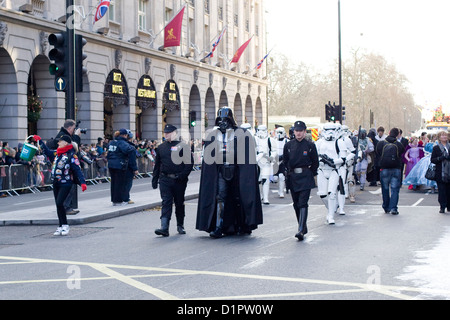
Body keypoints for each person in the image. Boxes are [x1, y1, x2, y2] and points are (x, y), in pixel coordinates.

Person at [196, 107, 263, 238]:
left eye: (225, 120)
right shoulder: (213, 136)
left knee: (239, 197)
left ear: (231, 120)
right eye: (220, 120)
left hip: (237, 170)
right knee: (220, 197)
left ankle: (243, 224)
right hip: (221, 170)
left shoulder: (242, 134)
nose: (223, 122)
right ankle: (218, 226)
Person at [38, 135, 87, 236]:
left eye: (60, 141)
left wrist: (82, 182)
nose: (58, 143)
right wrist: (40, 141)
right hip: (56, 182)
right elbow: (47, 151)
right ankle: (60, 225)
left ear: (66, 143)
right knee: (58, 204)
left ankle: (65, 225)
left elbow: (77, 169)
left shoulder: (71, 155)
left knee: (60, 203)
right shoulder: (57, 154)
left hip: (66, 182)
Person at [152, 124, 193, 236]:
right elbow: (157, 165)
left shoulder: (183, 146)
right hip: (165, 179)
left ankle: (180, 225)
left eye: (168, 133)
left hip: (179, 180)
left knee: (179, 203)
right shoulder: (161, 147)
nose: (166, 135)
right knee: (166, 202)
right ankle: (164, 227)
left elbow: (189, 164)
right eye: (165, 133)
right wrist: (154, 180)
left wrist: (181, 176)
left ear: (175, 133)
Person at [284, 121, 319, 240]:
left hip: (305, 176)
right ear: (294, 132)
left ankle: (300, 230)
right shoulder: (288, 145)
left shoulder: (310, 145)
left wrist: (310, 173)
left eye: (301, 131)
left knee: (303, 203)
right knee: (296, 204)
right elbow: (285, 161)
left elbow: (315, 163)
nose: (298, 133)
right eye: (297, 131)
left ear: (305, 132)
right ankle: (303, 226)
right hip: (293, 176)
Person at [316, 123, 351, 225]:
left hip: (334, 170)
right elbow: (314, 157)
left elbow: (343, 158)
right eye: (327, 130)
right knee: (323, 194)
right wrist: (321, 161)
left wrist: (332, 161)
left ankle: (330, 215)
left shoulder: (339, 142)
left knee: (332, 193)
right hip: (321, 170)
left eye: (332, 130)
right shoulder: (319, 143)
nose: (330, 132)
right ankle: (332, 208)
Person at [376, 127, 406, 215]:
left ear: (389, 132)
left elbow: (378, 152)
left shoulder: (381, 143)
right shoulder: (398, 144)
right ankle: (393, 208)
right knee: (395, 189)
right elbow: (401, 152)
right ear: (397, 135)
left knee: (385, 188)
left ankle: (386, 206)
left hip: (384, 168)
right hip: (396, 168)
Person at [107, 129, 138, 206]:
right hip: (120, 165)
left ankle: (115, 200)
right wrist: (134, 168)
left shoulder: (112, 142)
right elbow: (130, 151)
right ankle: (122, 199)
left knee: (114, 183)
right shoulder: (123, 143)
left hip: (111, 165)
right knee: (122, 183)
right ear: (125, 135)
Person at [255, 125, 277, 204]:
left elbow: (274, 150)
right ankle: (260, 195)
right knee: (258, 180)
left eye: (263, 130)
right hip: (257, 161)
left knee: (265, 179)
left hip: (266, 161)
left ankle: (266, 198)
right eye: (259, 130)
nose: (261, 132)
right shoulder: (255, 139)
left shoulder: (270, 140)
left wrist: (271, 157)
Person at [431, 131, 450, 213]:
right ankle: (442, 206)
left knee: (449, 190)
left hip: (449, 171)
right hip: (440, 172)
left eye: (445, 135)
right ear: (439, 137)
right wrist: (441, 158)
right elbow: (433, 160)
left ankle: (449, 206)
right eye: (442, 135)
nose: (444, 137)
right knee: (442, 190)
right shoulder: (436, 148)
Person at [275, 126, 289, 198]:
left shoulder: (286, 141)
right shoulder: (273, 141)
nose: (279, 134)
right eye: (277, 132)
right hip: (274, 161)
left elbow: (289, 151)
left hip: (283, 161)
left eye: (280, 132)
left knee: (281, 177)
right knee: (274, 178)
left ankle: (281, 192)